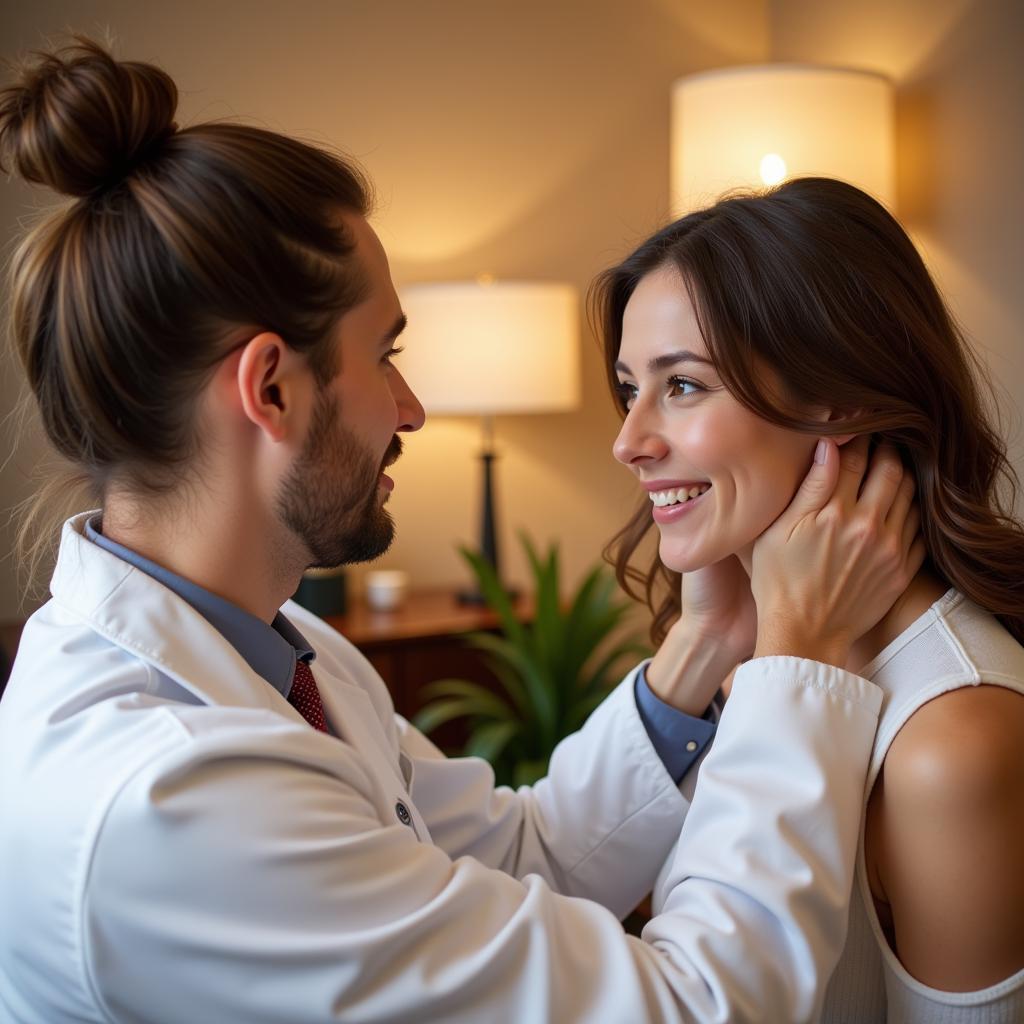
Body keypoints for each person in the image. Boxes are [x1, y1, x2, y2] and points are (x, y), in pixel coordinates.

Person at [0, 40, 920, 1024]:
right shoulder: (167, 804)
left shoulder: (287, 656)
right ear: (269, 386)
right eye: (385, 355)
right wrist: (801, 657)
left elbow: (527, 854)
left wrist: (708, 642)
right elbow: (693, 1010)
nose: (411, 408)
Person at [595, 175, 1024, 1023]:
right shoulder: (749, 658)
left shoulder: (952, 743)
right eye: (628, 387)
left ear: (841, 405)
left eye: (682, 385)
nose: (628, 441)